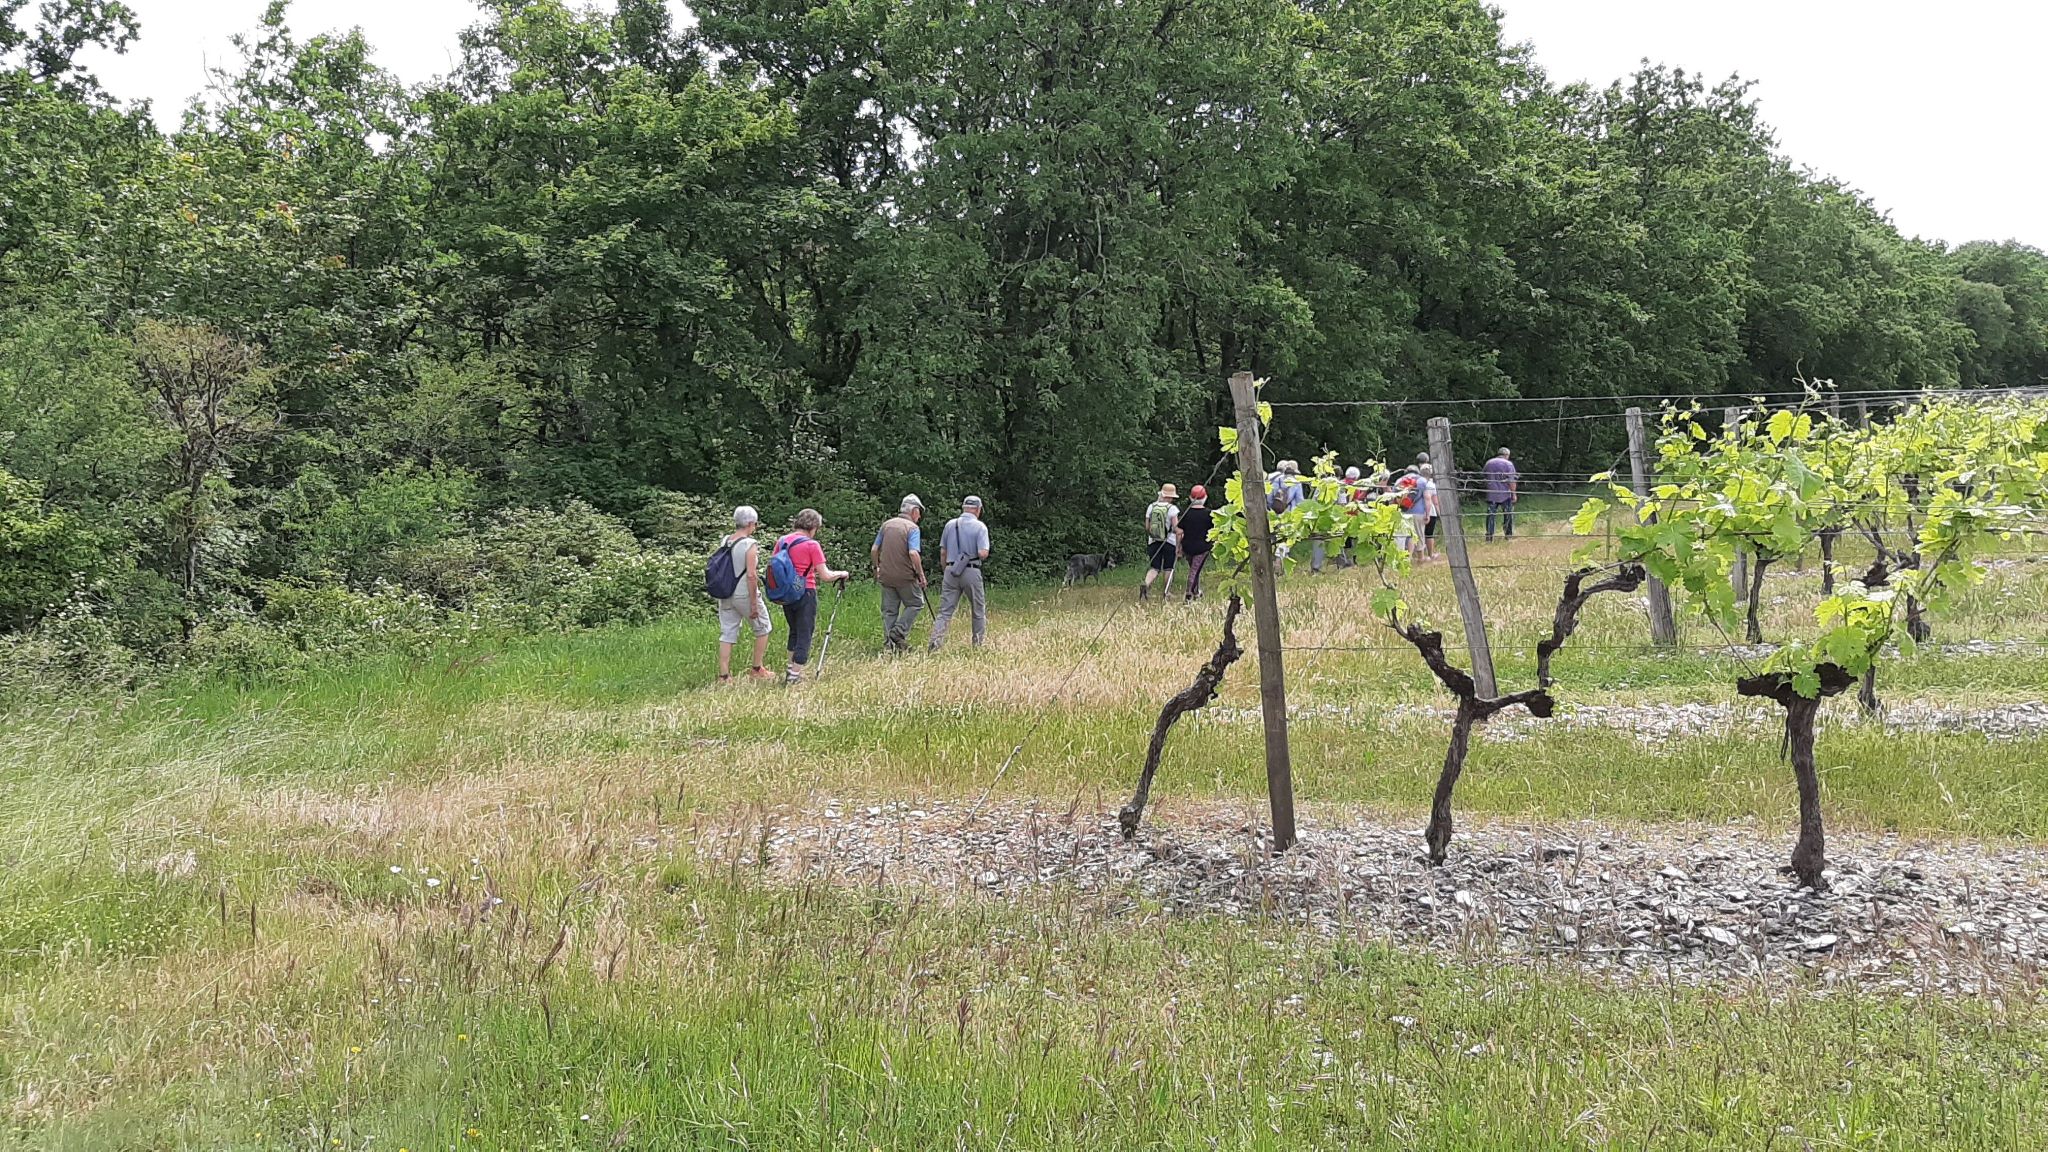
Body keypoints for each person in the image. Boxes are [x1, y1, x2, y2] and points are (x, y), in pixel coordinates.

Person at [775, 508, 849, 684]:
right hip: (805, 592)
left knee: (794, 631)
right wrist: (841, 573)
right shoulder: (811, 545)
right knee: (805, 633)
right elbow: (825, 575)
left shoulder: (782, 541)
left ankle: (790, 669)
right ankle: (795, 676)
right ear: (814, 526)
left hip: (786, 593)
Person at [715, 505, 774, 683]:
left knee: (727, 631)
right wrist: (754, 603)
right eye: (755, 523)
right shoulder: (750, 544)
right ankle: (757, 668)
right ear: (750, 524)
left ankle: (724, 675)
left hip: (725, 592)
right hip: (744, 594)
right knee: (763, 627)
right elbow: (751, 575)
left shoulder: (725, 540)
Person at [929, 495, 991, 651]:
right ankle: (977, 645)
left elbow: (943, 552)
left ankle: (935, 642)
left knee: (945, 611)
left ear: (963, 508)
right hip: (971, 570)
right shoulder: (980, 527)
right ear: (978, 509)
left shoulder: (950, 525)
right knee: (978, 609)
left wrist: (946, 569)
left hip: (951, 569)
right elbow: (983, 553)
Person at [870, 495, 927, 652]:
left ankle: (889, 646)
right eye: (919, 512)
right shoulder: (912, 528)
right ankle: (899, 631)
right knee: (916, 603)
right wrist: (921, 575)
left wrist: (876, 568)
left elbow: (874, 549)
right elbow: (913, 553)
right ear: (914, 511)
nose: (919, 517)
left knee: (889, 611)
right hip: (905, 577)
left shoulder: (886, 525)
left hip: (886, 575)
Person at [1139, 483, 1180, 602]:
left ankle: (1146, 584)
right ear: (1171, 497)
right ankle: (1166, 592)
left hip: (1153, 541)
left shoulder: (1151, 507)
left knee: (1154, 567)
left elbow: (1147, 527)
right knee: (1168, 568)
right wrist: (1179, 542)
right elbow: (1176, 528)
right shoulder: (1172, 509)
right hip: (1169, 541)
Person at [1177, 486, 1214, 601]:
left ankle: (1196, 592)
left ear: (1190, 498)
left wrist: (1178, 547)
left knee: (1194, 569)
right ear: (1205, 497)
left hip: (1187, 546)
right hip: (1202, 548)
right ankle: (1189, 593)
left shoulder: (1186, 514)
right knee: (1194, 570)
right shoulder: (1209, 514)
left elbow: (1179, 531)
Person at [1484, 446, 1519, 540]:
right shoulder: (1508, 464)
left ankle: (1489, 536)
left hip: (1491, 493)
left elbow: (1484, 477)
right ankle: (1508, 535)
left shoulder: (1489, 463)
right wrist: (1514, 494)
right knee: (1508, 514)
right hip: (1505, 494)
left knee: (1491, 515)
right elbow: (1511, 480)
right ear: (1507, 455)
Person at [1418, 463, 1441, 562]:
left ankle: (1419, 554)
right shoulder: (1431, 485)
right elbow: (1435, 501)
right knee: (1429, 534)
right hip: (1430, 512)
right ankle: (1430, 554)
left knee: (1419, 533)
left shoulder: (1417, 482)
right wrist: (1440, 514)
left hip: (1418, 511)